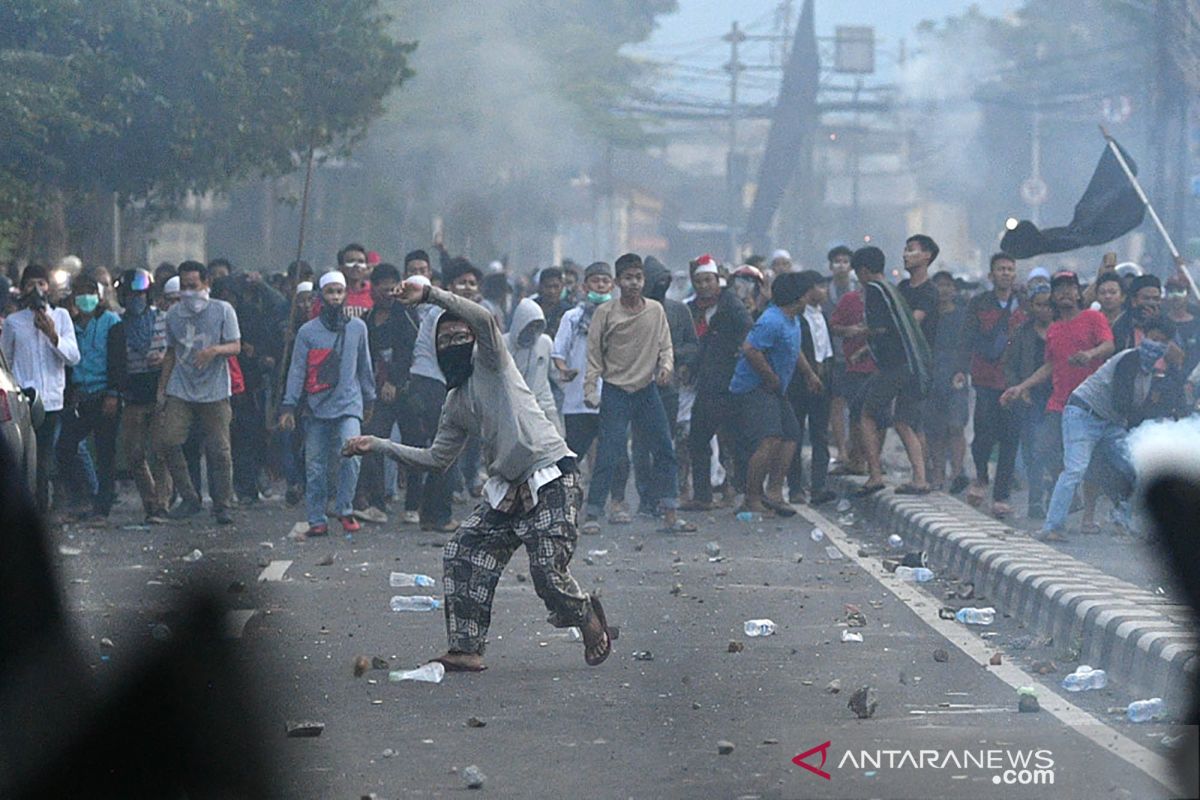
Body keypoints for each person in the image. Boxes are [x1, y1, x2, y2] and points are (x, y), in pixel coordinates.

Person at [343, 276, 618, 673]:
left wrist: (433, 296)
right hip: (508, 488)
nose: (454, 343)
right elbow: (437, 459)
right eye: (446, 339)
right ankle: (466, 647)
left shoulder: (492, 362)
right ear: (436, 349)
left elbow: (486, 322)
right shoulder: (454, 403)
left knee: (546, 572)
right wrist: (379, 444)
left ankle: (587, 616)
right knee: (462, 550)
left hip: (550, 476)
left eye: (461, 335)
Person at [582, 253, 693, 533]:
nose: (634, 283)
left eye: (638, 278)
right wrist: (589, 389)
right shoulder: (606, 313)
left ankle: (669, 512)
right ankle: (594, 513)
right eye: (628, 278)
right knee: (609, 453)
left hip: (647, 391)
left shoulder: (655, 311)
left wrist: (666, 367)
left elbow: (665, 345)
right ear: (618, 282)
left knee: (665, 450)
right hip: (616, 391)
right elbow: (594, 355)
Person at [1000, 271, 1115, 539]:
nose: (1065, 293)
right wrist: (1021, 387)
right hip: (1060, 401)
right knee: (1045, 448)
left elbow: (1108, 346)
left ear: (1078, 292)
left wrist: (1090, 354)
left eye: (1070, 287)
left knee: (1090, 464)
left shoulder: (1093, 318)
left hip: (1091, 402)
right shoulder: (1054, 329)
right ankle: (1068, 501)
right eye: (1059, 288)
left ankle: (1085, 516)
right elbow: (1050, 365)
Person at [1038, 317, 1175, 539]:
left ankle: (1123, 518)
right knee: (1075, 469)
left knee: (1136, 466)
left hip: (1110, 423)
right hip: (1083, 414)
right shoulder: (1128, 360)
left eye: (1162, 341)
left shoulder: (1148, 373)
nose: (1155, 345)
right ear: (1144, 337)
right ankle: (1052, 527)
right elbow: (1124, 402)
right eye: (1153, 338)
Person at [280, 271, 375, 536]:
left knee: (351, 457)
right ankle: (316, 518)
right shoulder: (307, 332)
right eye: (330, 292)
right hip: (316, 407)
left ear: (346, 294)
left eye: (339, 292)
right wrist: (288, 406)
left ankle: (345, 509)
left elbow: (365, 367)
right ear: (321, 295)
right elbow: (297, 370)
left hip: (349, 405)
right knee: (315, 466)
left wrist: (370, 399)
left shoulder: (358, 328)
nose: (335, 297)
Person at [156, 260, 242, 525]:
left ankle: (222, 503)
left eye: (194, 286)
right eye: (184, 287)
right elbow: (171, 352)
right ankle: (189, 497)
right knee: (168, 440)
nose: (189, 292)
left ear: (206, 284)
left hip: (214, 389)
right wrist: (162, 389)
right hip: (181, 386)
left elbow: (235, 346)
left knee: (219, 450)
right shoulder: (173, 315)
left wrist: (213, 351)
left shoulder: (223, 310)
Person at [0, 264, 81, 513]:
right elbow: (7, 361)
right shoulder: (14, 322)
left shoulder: (61, 317)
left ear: (49, 287)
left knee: (45, 459)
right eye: (30, 284)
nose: (36, 289)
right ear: (22, 288)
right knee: (25, 458)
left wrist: (52, 335)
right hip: (23, 402)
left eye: (41, 283)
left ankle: (44, 510)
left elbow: (73, 357)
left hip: (52, 400)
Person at [728, 272, 806, 516]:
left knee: (791, 434)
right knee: (769, 439)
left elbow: (795, 350)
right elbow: (751, 349)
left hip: (774, 389)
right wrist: (770, 376)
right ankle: (752, 497)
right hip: (754, 388)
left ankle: (773, 492)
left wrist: (810, 374)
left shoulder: (792, 320)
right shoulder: (771, 320)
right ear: (797, 297)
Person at [856, 246, 933, 495]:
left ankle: (875, 475)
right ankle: (920, 479)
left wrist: (859, 332)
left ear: (864, 271)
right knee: (903, 421)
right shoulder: (893, 289)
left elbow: (880, 329)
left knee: (866, 413)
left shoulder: (875, 291)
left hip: (894, 366)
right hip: (911, 364)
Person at [955, 253, 1024, 516]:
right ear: (991, 275)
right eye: (1001, 269)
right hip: (985, 378)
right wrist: (960, 369)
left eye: (1010, 269)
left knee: (1010, 437)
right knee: (983, 435)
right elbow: (967, 337)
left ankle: (1001, 493)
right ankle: (981, 475)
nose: (1006, 273)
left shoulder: (1024, 304)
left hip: (1015, 380)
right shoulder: (979, 303)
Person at [683, 255, 753, 510]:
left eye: (708, 280)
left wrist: (737, 354)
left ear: (717, 281)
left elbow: (747, 331)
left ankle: (745, 494)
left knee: (735, 442)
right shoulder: (693, 309)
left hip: (730, 383)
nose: (703, 286)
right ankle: (704, 496)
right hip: (708, 383)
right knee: (699, 441)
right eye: (699, 281)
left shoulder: (730, 305)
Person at [352, 263, 416, 524]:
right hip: (377, 393)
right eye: (383, 289)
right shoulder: (367, 320)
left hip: (408, 392)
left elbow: (409, 352)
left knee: (413, 448)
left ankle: (413, 505)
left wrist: (396, 382)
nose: (388, 294)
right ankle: (378, 504)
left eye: (393, 288)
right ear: (373, 290)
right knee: (373, 442)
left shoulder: (407, 316)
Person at [55, 273, 121, 520]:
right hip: (81, 397)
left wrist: (114, 394)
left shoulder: (111, 322)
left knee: (105, 453)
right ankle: (79, 497)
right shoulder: (70, 325)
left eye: (90, 292)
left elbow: (117, 361)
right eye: (80, 292)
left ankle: (102, 507)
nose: (85, 298)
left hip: (105, 395)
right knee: (65, 447)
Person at [109, 269, 171, 523]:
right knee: (134, 454)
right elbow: (113, 364)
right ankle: (149, 501)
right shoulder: (118, 326)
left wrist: (164, 359)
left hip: (159, 393)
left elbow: (176, 352)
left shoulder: (165, 320)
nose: (137, 299)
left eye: (141, 294)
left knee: (160, 452)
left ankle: (162, 504)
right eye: (131, 295)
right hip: (133, 396)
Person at [638, 256, 698, 516]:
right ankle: (645, 498)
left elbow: (693, 346)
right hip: (638, 387)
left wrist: (671, 356)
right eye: (655, 281)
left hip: (668, 387)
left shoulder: (678, 310)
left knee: (665, 444)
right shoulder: (633, 312)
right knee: (640, 448)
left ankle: (664, 496)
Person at [786, 270, 837, 505]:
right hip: (799, 383)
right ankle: (795, 487)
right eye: (821, 286)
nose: (825, 291)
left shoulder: (823, 314)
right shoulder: (796, 316)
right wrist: (808, 374)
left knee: (820, 435)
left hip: (823, 380)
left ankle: (819, 485)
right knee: (794, 435)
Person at [1004, 283, 1054, 519]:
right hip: (1030, 399)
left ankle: (1056, 497)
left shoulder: (1062, 331)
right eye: (1039, 305)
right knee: (1033, 448)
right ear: (1031, 307)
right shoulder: (1021, 333)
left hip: (1058, 397)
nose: (1044, 310)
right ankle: (1035, 499)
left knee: (1055, 449)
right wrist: (1019, 388)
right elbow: (1009, 366)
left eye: (1048, 305)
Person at [926, 270, 970, 494]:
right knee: (935, 429)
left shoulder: (963, 315)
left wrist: (962, 370)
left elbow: (968, 346)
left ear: (954, 289)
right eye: (938, 285)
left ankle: (957, 472)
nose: (943, 290)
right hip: (932, 375)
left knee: (955, 425)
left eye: (947, 285)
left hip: (956, 375)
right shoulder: (928, 317)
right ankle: (937, 474)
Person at [505, 297, 561, 431]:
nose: (532, 331)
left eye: (537, 327)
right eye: (529, 326)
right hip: (511, 409)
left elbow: (555, 374)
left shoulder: (545, 343)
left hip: (543, 406)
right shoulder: (502, 345)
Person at [825, 245, 857, 462]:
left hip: (858, 355)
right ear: (830, 266)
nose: (841, 266)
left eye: (846, 261)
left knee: (857, 405)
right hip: (832, 355)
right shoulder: (824, 292)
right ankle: (842, 450)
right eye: (837, 261)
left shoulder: (859, 292)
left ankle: (856, 451)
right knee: (836, 404)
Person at [312, 244, 374, 321]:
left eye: (361, 262)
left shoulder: (374, 292)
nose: (356, 265)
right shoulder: (329, 292)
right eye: (351, 261)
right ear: (341, 266)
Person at [531, 267, 571, 339]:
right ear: (540, 286)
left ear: (562, 287)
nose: (552, 291)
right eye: (548, 287)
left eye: (556, 287)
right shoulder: (531, 308)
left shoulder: (568, 312)